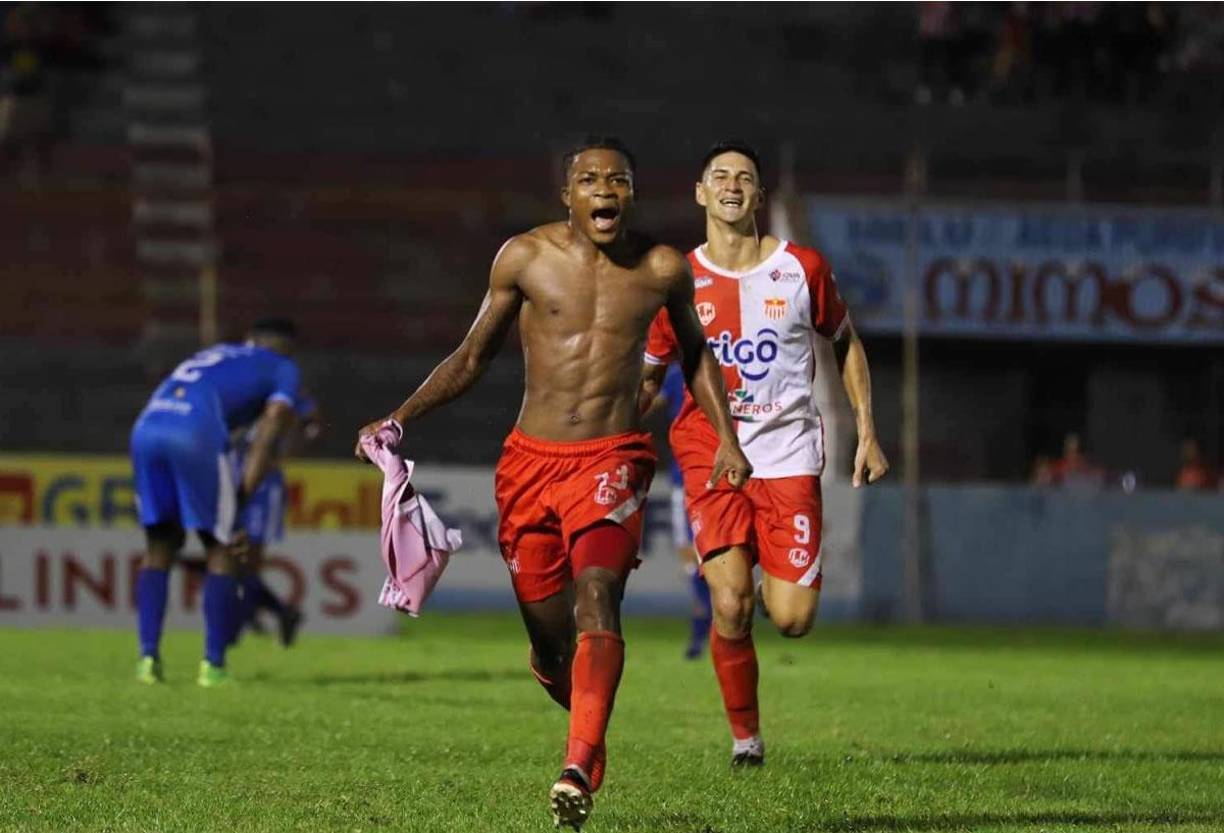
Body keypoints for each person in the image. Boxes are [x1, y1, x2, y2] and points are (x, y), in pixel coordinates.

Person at [356, 137, 751, 831]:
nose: (606, 189)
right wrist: (400, 415)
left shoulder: (662, 268)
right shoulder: (524, 258)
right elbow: (473, 354)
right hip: (529, 465)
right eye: (590, 179)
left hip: (613, 457)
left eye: (619, 179)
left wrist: (727, 436)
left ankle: (576, 765)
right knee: (548, 640)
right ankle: (584, 724)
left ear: (632, 193)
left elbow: (695, 352)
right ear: (566, 195)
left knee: (598, 595)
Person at [640, 141, 889, 767]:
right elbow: (647, 378)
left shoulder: (802, 268)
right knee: (729, 601)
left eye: (744, 178)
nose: (731, 185)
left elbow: (845, 340)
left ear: (759, 194)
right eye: (719, 176)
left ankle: (771, 584)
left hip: (789, 455)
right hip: (709, 454)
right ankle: (746, 742)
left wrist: (867, 429)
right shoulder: (676, 280)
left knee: (794, 618)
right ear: (699, 192)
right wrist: (609, 441)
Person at [131, 318, 304, 687]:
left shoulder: (216, 353)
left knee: (159, 546)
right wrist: (239, 502)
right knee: (221, 549)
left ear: (250, 338)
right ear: (287, 347)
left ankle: (148, 659)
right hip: (194, 433)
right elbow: (266, 437)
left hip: (147, 427)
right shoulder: (284, 367)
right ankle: (213, 666)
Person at [653, 362, 712, 659]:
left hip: (698, 479)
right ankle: (708, 622)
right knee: (693, 555)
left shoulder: (678, 373)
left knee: (698, 555)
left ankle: (706, 624)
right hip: (693, 478)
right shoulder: (682, 373)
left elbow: (647, 400)